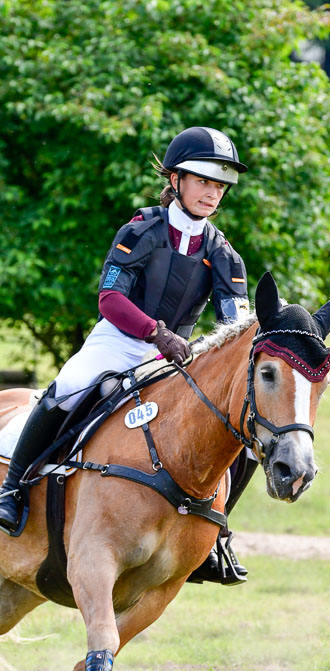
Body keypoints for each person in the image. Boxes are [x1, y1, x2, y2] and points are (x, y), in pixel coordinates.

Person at [0, 126, 258, 584]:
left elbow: (232, 326)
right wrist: (157, 334)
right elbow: (110, 300)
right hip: (119, 340)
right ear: (176, 181)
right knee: (65, 390)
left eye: (219, 186)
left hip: (177, 357)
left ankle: (216, 531)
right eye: (203, 181)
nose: (212, 193)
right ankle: (13, 490)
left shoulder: (225, 256)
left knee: (238, 425)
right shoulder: (142, 230)